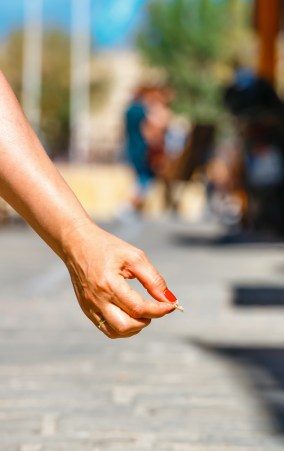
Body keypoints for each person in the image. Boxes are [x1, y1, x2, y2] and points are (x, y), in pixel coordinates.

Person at [0, 71, 178, 339]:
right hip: (142, 150)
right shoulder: (144, 110)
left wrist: (79, 239)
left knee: (141, 181)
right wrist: (79, 239)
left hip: (133, 150)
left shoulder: (131, 107)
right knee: (142, 181)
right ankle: (128, 210)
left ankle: (129, 210)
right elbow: (155, 128)